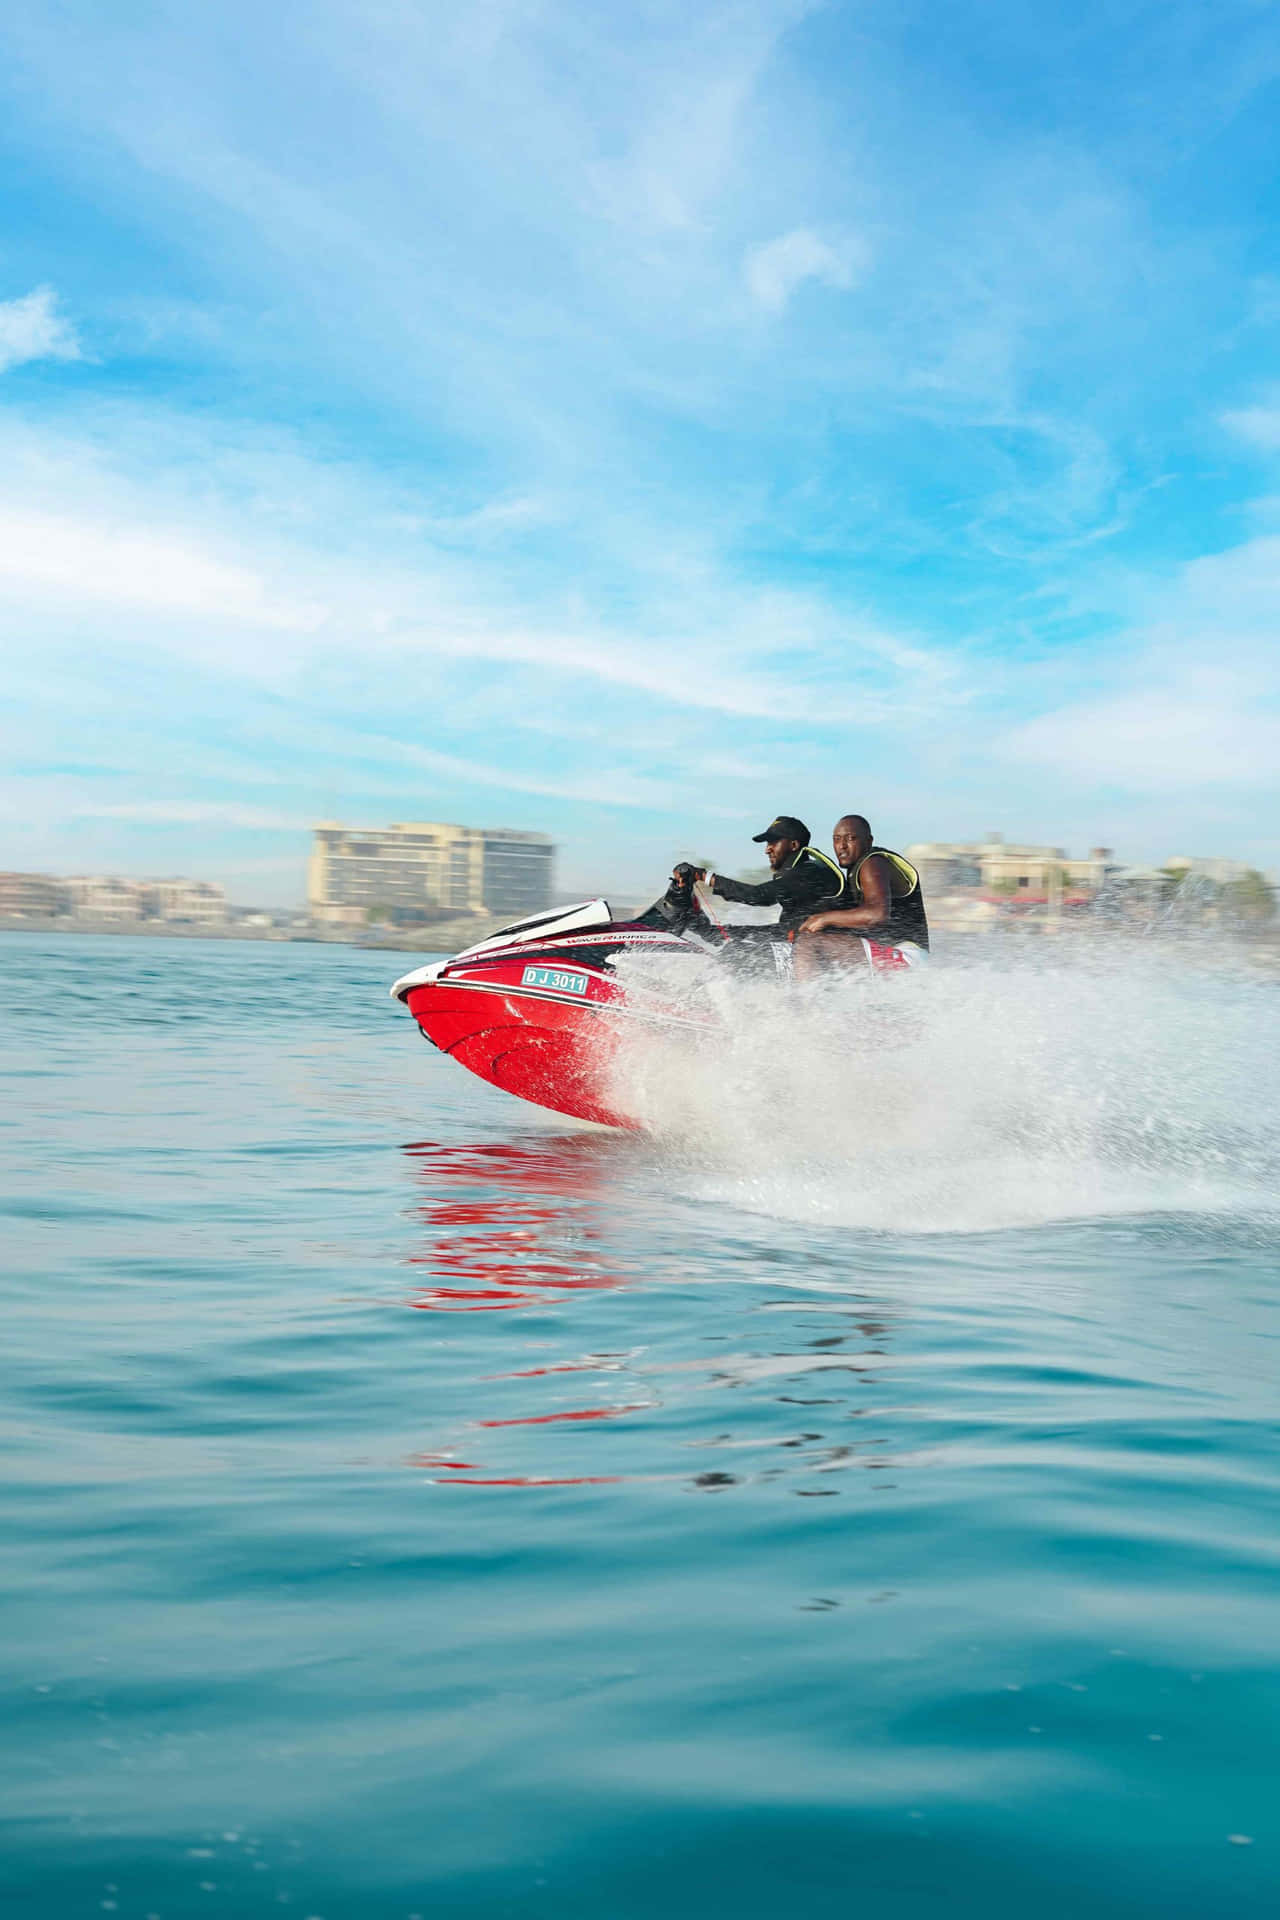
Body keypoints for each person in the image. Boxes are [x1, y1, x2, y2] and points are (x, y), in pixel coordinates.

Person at [794, 814, 929, 974]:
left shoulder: (872, 863)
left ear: (869, 841)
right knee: (817, 939)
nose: (842, 846)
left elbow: (877, 914)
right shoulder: (855, 872)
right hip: (891, 953)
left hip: (906, 956)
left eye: (850, 838)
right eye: (836, 839)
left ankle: (805, 998)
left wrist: (823, 919)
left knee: (809, 944)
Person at [696, 815, 845, 935]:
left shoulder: (810, 872)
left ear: (794, 845)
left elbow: (757, 895)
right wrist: (722, 932)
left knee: (734, 947)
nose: (767, 850)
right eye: (767, 843)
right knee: (724, 935)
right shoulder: (795, 871)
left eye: (773, 842)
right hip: (795, 936)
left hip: (823, 949)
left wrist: (704, 876)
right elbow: (785, 928)